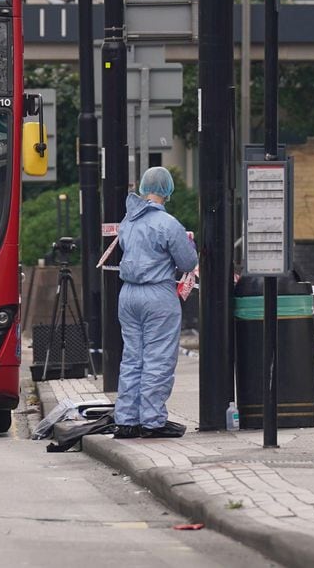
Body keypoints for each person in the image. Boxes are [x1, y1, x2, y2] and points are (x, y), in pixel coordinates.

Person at [113, 166, 198, 439]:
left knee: (132, 357)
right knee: (158, 358)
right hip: (157, 295)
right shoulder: (168, 224)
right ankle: (152, 421)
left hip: (128, 294)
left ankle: (126, 420)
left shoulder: (128, 222)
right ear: (167, 190)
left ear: (143, 188)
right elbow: (187, 262)